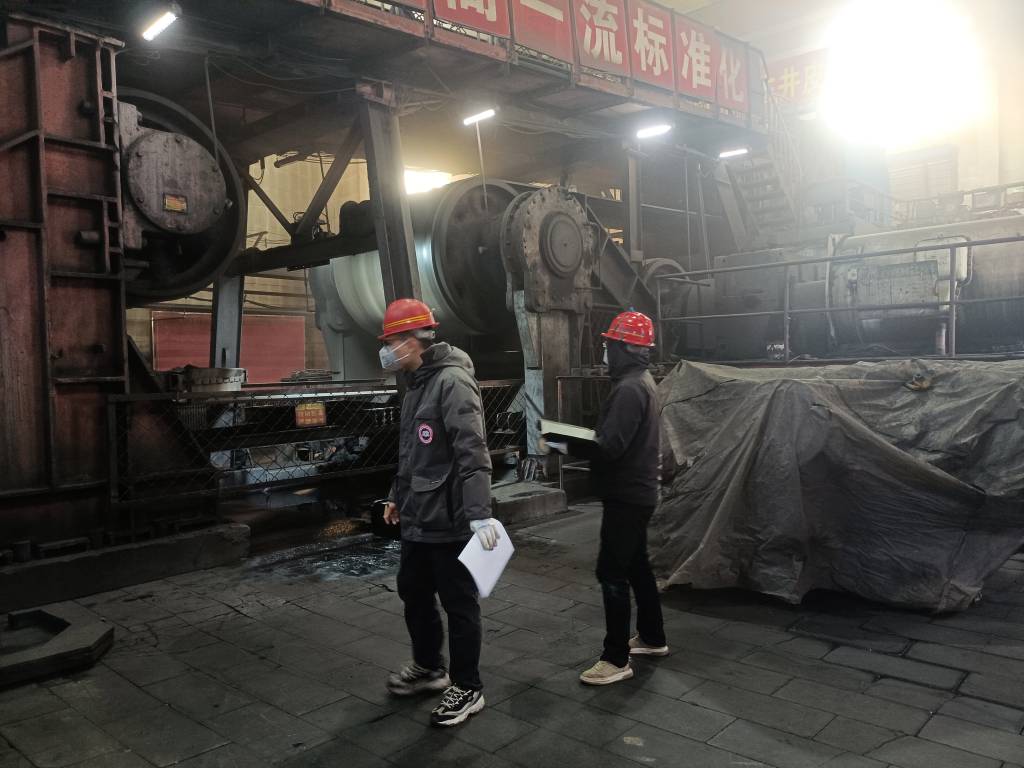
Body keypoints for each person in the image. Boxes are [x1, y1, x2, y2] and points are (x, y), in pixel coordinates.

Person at [379, 298, 501, 726]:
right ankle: (430, 667)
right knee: (413, 591)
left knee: (458, 602)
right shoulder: (417, 382)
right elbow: (412, 451)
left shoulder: (452, 382)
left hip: (449, 519)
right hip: (418, 516)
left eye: (391, 341)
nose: (387, 350)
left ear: (413, 340)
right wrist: (396, 494)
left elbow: (473, 452)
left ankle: (468, 687)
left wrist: (480, 514)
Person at [549, 311, 668, 685]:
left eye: (609, 344)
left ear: (624, 348)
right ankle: (652, 637)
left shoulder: (630, 388)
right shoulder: (641, 382)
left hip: (627, 496)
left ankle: (616, 659)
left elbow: (609, 446)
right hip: (638, 492)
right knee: (637, 566)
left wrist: (559, 439)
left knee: (612, 572)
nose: (605, 350)